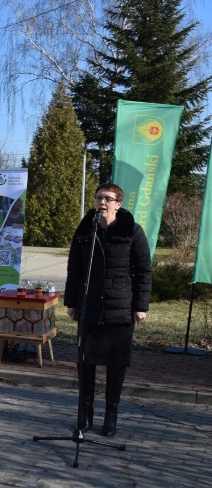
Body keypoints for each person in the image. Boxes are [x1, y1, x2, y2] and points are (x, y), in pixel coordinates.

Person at [65, 182, 152, 437]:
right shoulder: (84, 231)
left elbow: (144, 271)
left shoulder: (132, 232)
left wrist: (141, 307)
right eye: (99, 198)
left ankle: (111, 415)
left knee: (116, 364)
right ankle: (85, 413)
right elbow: (75, 270)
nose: (102, 202)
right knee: (86, 363)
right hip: (89, 307)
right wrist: (71, 301)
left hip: (120, 308)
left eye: (108, 198)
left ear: (118, 203)